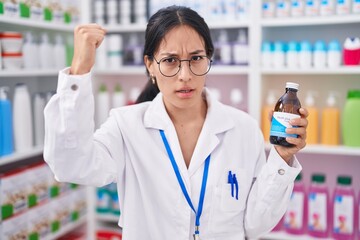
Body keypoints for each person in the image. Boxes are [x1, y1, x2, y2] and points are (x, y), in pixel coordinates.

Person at [44, 5, 308, 240]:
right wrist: (79, 72)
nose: (185, 75)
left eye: (196, 58)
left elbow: (255, 226)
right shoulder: (126, 126)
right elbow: (72, 165)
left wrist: (282, 159)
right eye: (170, 61)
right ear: (150, 65)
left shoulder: (243, 128)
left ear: (209, 59)